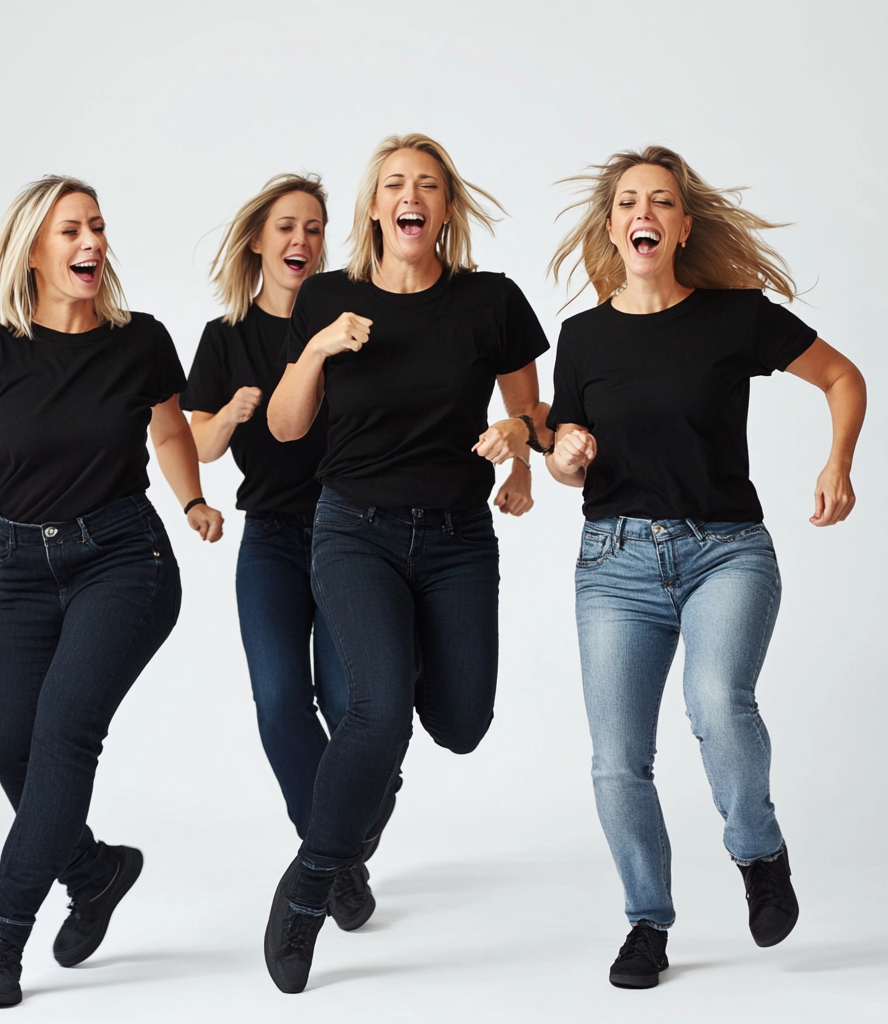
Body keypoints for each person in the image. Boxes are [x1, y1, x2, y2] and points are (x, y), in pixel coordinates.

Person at [0, 176, 224, 1009]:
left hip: (125, 561)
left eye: (99, 228)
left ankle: (2, 938)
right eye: (72, 230)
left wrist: (190, 500)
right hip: (25, 573)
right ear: (33, 249)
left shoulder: (139, 339)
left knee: (65, 735)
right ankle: (95, 868)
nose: (92, 243)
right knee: (7, 747)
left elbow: (172, 427)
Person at [544, 145, 866, 989]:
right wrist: (565, 454)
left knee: (718, 702)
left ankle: (758, 854)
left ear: (683, 226)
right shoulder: (581, 338)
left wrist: (838, 463)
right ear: (612, 227)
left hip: (726, 550)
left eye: (660, 201)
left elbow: (842, 377)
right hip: (614, 562)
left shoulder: (737, 317)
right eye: (627, 202)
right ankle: (647, 923)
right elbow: (564, 457)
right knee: (618, 759)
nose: (642, 212)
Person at [263, 132, 550, 993]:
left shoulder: (490, 301)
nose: (410, 195)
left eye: (427, 184)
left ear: (446, 209)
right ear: (376, 207)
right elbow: (282, 428)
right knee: (379, 712)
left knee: (460, 725)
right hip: (355, 530)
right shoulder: (326, 298)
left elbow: (533, 411)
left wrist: (519, 447)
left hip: (459, 537)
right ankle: (312, 882)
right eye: (395, 183)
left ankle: (395, 669)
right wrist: (316, 349)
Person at [181, 173, 377, 928]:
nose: (303, 240)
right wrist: (229, 413)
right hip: (268, 535)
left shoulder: (352, 321)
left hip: (347, 531)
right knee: (279, 702)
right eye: (288, 227)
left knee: (353, 701)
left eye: (317, 228)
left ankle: (348, 825)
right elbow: (192, 443)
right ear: (259, 241)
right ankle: (335, 855)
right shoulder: (227, 338)